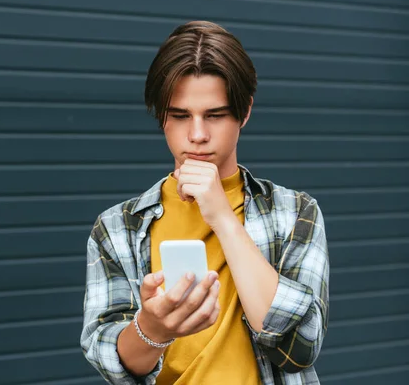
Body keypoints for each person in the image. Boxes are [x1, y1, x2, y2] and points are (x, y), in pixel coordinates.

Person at [80, 21, 329, 384]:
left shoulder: (295, 213)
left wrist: (224, 219)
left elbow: (299, 348)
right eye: (180, 116)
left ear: (244, 112)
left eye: (215, 115)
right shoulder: (118, 227)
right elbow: (111, 361)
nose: (197, 135)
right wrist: (152, 328)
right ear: (160, 116)